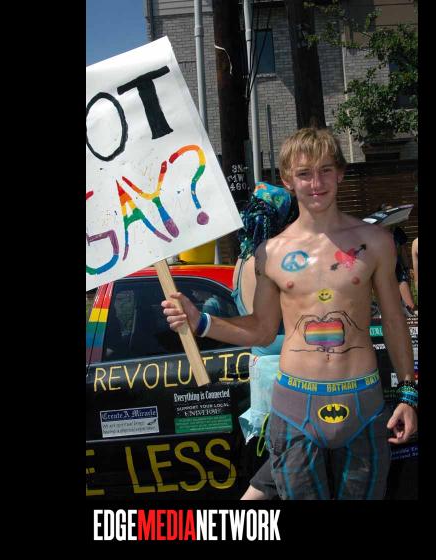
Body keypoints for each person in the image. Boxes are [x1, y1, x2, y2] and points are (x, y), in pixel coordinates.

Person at [162, 127, 417, 500]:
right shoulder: (271, 252)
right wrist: (201, 322)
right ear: (287, 180)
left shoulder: (375, 242)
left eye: (325, 170)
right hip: (296, 407)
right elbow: (262, 330)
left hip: (362, 403)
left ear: (340, 173)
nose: (316, 183)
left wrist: (409, 395)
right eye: (304, 173)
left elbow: (394, 321)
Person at [232, 181, 296, 500]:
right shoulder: (271, 262)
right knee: (287, 464)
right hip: (285, 373)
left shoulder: (241, 261)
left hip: (259, 370)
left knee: (281, 462)